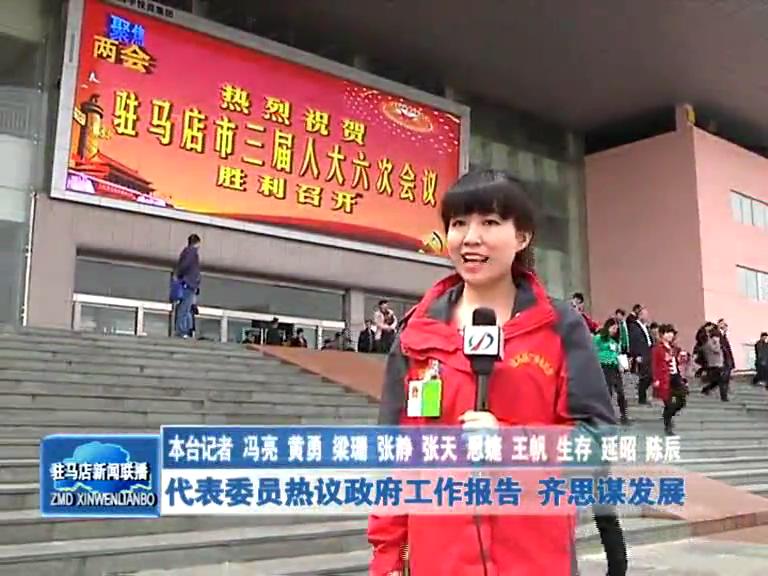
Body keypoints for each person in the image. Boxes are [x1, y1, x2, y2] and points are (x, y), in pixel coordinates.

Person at [368, 170, 625, 576]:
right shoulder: (417, 334)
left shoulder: (560, 327)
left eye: (489, 222)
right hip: (438, 561)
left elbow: (598, 439)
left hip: (536, 559)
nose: (470, 238)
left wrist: (511, 443)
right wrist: (387, 555)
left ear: (522, 237)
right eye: (458, 224)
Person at [651, 324, 688, 435]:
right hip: (664, 378)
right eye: (668, 333)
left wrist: (683, 358)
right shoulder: (657, 348)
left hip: (675, 376)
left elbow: (679, 361)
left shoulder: (674, 348)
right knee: (668, 403)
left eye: (672, 333)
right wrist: (656, 379)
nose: (670, 335)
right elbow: (654, 365)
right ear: (662, 334)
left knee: (681, 400)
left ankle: (667, 415)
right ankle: (668, 425)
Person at [594, 318, 630, 425]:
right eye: (613, 328)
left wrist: (621, 364)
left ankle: (624, 415)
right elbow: (592, 349)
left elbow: (617, 354)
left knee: (620, 392)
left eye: (616, 329)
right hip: (604, 366)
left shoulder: (614, 342)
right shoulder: (599, 338)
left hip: (614, 367)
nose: (614, 331)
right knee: (608, 392)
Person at [173, 234, 201, 338]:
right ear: (196, 243)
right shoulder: (191, 252)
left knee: (185, 308)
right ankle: (182, 331)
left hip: (188, 283)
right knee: (184, 308)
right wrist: (180, 275)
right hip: (189, 284)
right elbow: (184, 265)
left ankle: (183, 330)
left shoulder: (188, 252)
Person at [627, 305, 653, 405]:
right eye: (645, 315)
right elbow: (633, 341)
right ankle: (642, 396)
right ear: (640, 315)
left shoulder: (646, 326)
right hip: (641, 353)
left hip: (648, 352)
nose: (647, 317)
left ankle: (642, 394)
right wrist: (636, 355)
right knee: (646, 375)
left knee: (650, 375)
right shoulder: (634, 326)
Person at [700, 326, 728, 401]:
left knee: (717, 381)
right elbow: (716, 350)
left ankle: (706, 389)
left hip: (718, 364)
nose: (718, 338)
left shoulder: (712, 343)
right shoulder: (710, 343)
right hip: (714, 365)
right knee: (721, 381)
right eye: (717, 337)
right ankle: (724, 397)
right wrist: (718, 343)